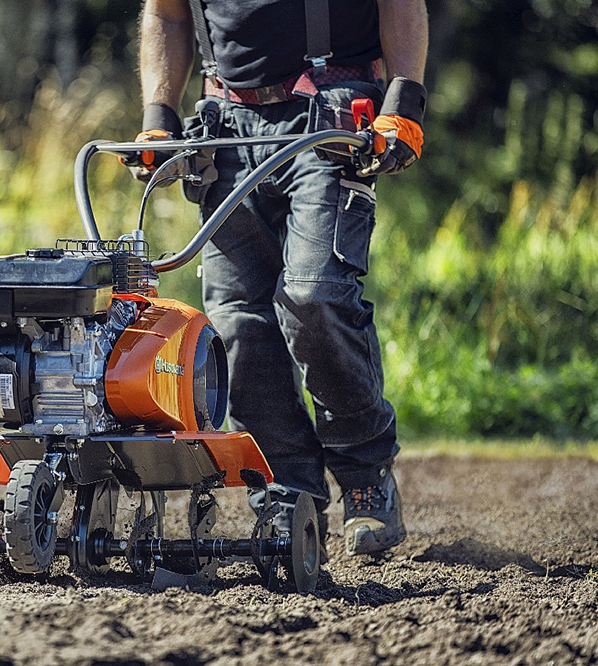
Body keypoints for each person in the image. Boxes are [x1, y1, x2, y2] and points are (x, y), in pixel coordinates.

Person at [131, 0, 428, 557]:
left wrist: (405, 99)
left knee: (314, 295)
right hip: (223, 130)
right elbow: (167, 14)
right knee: (236, 326)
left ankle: (365, 474)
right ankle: (291, 493)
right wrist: (159, 113)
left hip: (331, 116)